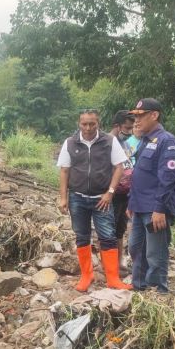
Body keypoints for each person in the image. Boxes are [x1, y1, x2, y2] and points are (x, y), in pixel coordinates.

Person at [57, 109, 132, 291]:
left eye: (92, 124)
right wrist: (63, 198)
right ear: (79, 123)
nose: (88, 128)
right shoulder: (70, 143)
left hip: (102, 199)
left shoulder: (109, 141)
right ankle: (86, 276)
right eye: (85, 124)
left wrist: (110, 192)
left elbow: (119, 168)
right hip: (78, 198)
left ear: (98, 123)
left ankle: (113, 278)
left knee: (107, 236)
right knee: (81, 236)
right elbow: (65, 171)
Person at [127, 98, 175, 293]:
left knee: (155, 253)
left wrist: (160, 209)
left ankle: (158, 291)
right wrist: (131, 204)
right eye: (135, 117)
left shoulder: (167, 141)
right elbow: (139, 174)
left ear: (154, 115)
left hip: (155, 208)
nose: (136, 121)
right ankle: (139, 287)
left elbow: (168, 178)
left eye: (140, 116)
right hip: (140, 205)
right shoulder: (144, 141)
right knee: (135, 248)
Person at [109, 110, 138, 271]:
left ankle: (118, 262)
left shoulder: (126, 143)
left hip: (125, 193)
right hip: (110, 194)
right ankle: (109, 264)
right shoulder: (106, 143)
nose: (129, 131)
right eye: (127, 128)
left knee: (120, 229)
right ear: (117, 126)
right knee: (108, 229)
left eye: (131, 128)